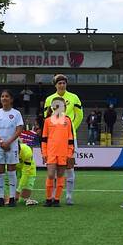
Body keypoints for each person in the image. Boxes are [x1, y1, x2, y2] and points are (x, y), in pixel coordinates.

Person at [42, 75, 84, 204]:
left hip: (69, 137)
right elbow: (46, 117)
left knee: (70, 167)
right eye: (59, 83)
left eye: (64, 83)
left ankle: (69, 196)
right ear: (55, 85)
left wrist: (71, 129)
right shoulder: (49, 99)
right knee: (52, 171)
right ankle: (53, 197)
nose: (62, 85)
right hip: (54, 140)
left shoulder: (74, 97)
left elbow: (80, 115)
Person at [0, 90, 25, 206]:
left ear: (11, 99)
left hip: (12, 146)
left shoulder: (16, 113)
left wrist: (9, 142)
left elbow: (19, 129)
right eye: (2, 96)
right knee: (0, 172)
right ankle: (0, 198)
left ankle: (11, 198)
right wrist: (1, 142)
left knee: (11, 171)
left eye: (6, 96)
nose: (4, 98)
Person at [42, 97, 73, 207]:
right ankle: (48, 198)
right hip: (51, 153)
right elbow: (44, 139)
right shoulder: (47, 121)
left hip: (63, 153)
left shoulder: (68, 120)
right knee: (50, 175)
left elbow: (70, 139)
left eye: (63, 105)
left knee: (60, 175)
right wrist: (44, 153)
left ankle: (57, 199)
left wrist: (70, 154)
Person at [17, 140, 38, 206]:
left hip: (29, 169)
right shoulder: (7, 151)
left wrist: (18, 191)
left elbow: (25, 173)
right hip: (15, 168)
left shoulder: (27, 152)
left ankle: (27, 198)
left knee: (24, 196)